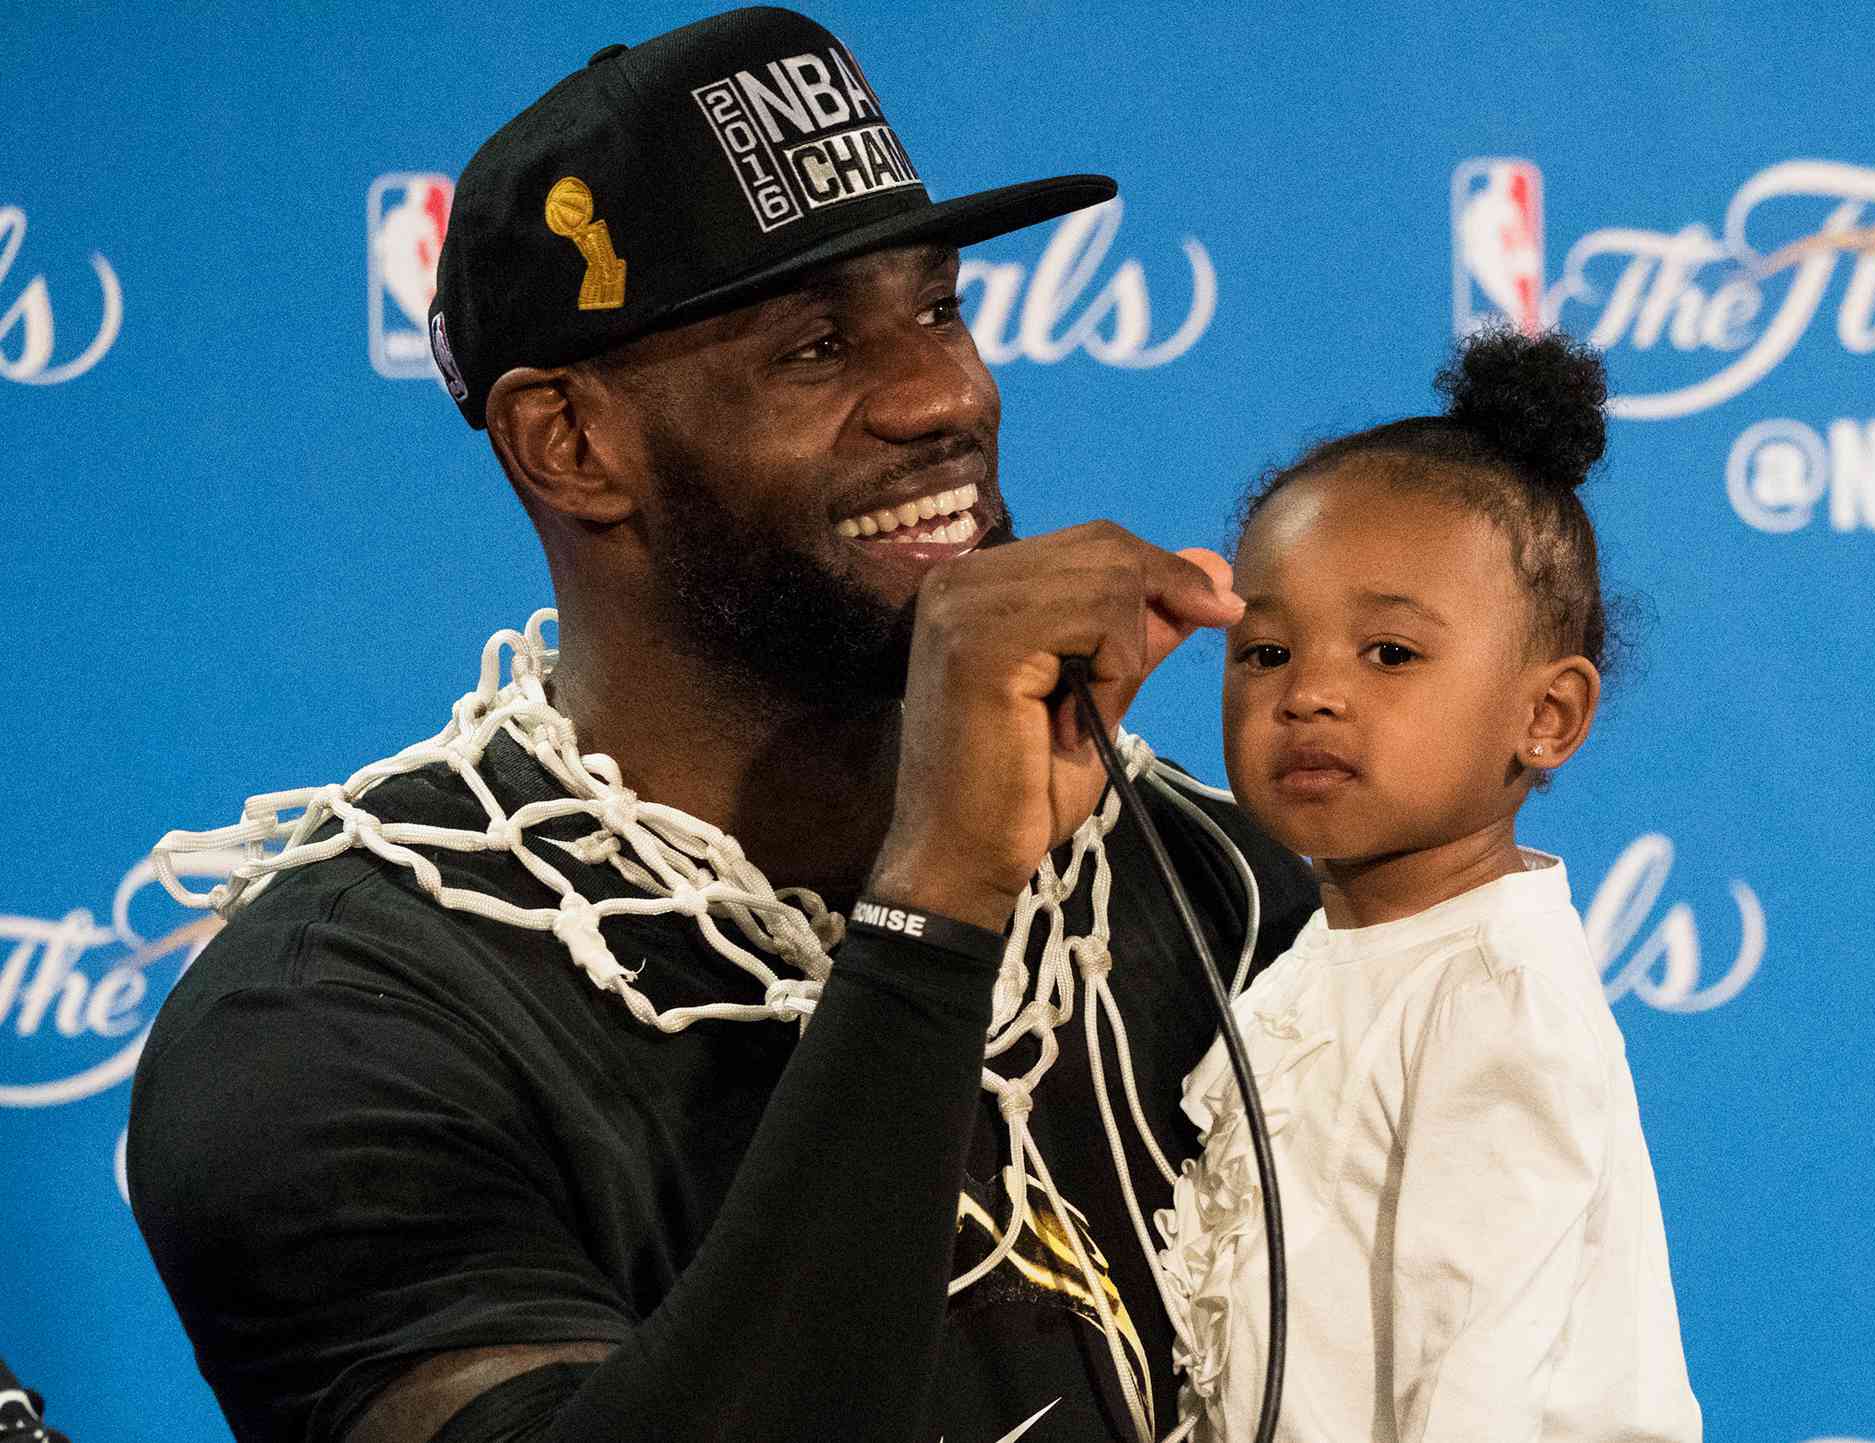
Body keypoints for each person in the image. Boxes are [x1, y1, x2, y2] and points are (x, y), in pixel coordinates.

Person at [126, 9, 1316, 1443]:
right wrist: (936, 902)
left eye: (938, 305)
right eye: (818, 344)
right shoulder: (336, 1024)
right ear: (571, 443)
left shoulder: (1224, 886)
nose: (949, 392)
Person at [1153, 330, 1702, 1441]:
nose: (1308, 695)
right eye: (1263, 653)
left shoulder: (1494, 995)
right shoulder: (1306, 955)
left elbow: (1476, 1378)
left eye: (1389, 655)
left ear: (1545, 716)